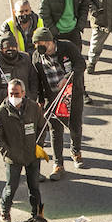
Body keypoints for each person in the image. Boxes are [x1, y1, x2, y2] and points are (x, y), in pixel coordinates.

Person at [31, 29, 87, 178]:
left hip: (72, 94)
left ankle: (76, 151)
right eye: (36, 44)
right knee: (55, 129)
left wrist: (67, 78)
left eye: (41, 44)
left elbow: (81, 64)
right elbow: (38, 79)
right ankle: (58, 164)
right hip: (52, 97)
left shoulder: (67, 47)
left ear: (50, 42)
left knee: (74, 126)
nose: (38, 47)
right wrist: (41, 100)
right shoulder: (37, 56)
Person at [0, 79, 44, 222]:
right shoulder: (1, 113)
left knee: (34, 187)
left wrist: (38, 145)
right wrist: (8, 153)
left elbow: (42, 126)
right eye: (11, 93)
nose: (14, 96)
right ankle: (5, 210)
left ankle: (37, 214)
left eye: (17, 93)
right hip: (13, 158)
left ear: (23, 93)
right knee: (10, 188)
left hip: (32, 155)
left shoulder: (33, 107)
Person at [0, 32, 39, 103]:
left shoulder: (26, 59)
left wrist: (32, 97)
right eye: (7, 48)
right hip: (4, 107)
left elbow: (34, 80)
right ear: (1, 49)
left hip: (26, 105)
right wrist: (11, 93)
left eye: (13, 47)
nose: (10, 49)